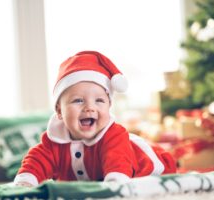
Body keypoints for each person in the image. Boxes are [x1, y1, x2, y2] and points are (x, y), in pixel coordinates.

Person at [14, 50, 176, 187]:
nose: (90, 107)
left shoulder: (114, 137)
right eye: (78, 100)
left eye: (99, 100)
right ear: (59, 111)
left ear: (109, 106)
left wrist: (114, 184)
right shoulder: (53, 142)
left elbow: (117, 168)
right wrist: (26, 182)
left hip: (147, 171)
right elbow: (37, 161)